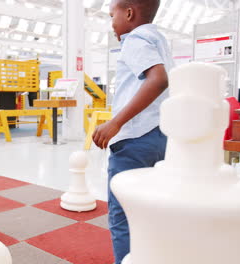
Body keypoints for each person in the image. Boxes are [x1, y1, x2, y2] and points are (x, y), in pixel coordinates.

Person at [92, 0, 174, 263]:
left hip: (134, 140)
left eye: (111, 15)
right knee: (150, 208)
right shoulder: (158, 39)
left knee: (122, 213)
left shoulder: (135, 38)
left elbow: (158, 79)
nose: (111, 23)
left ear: (129, 13)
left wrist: (115, 122)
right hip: (159, 135)